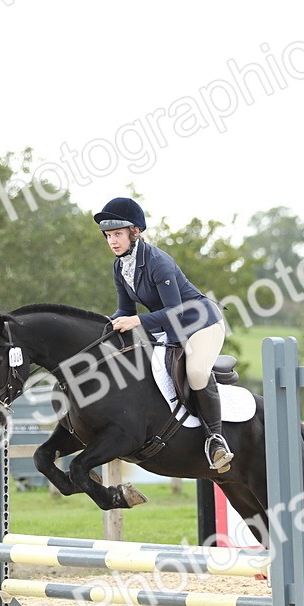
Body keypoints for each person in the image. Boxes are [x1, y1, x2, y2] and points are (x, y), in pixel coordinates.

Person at [94, 196, 233, 470]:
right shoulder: (121, 265)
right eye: (108, 236)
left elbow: (175, 312)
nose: (112, 241)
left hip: (201, 324)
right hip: (168, 329)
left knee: (195, 373)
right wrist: (102, 326)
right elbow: (124, 309)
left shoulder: (158, 262)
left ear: (135, 232)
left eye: (118, 234)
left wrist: (136, 322)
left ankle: (216, 439)